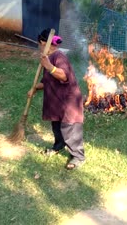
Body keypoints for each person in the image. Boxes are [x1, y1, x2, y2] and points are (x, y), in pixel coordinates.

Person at [27, 28, 85, 170]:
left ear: (42, 42)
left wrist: (49, 66)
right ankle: (59, 145)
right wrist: (35, 88)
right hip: (56, 100)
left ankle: (78, 156)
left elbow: (63, 75)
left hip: (68, 101)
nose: (40, 47)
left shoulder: (59, 57)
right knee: (57, 126)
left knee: (69, 128)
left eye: (40, 44)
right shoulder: (48, 57)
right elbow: (46, 81)